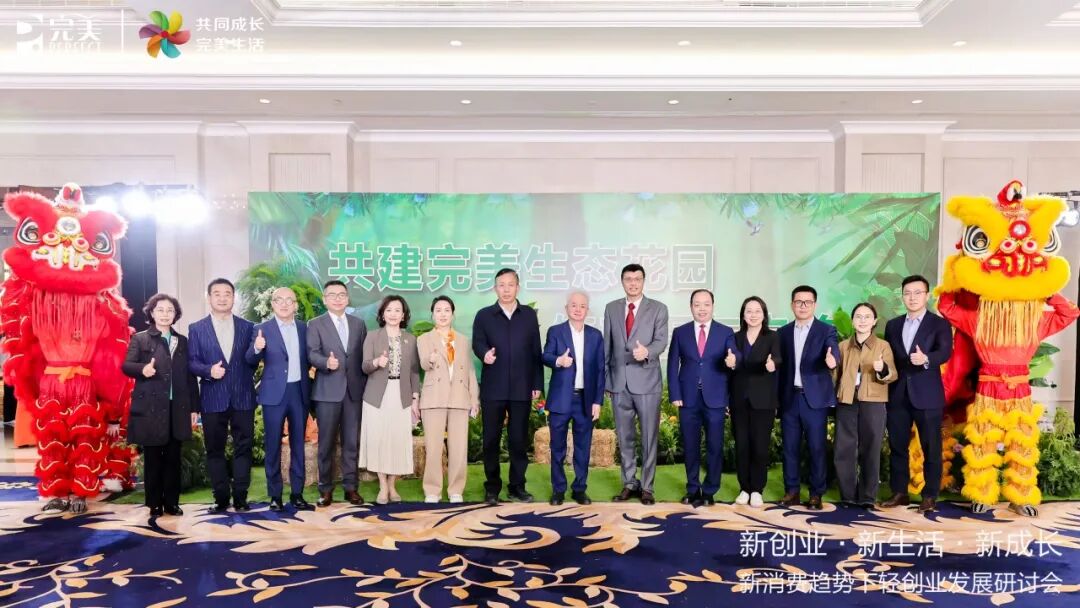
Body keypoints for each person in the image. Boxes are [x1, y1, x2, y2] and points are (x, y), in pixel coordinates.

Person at [122, 293, 199, 519]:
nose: (165, 314)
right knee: (153, 458)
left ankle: (172, 503)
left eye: (170, 310)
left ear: (175, 315)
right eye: (160, 310)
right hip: (151, 408)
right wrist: (142, 369)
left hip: (177, 408)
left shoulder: (182, 341)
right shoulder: (140, 339)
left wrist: (194, 407)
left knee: (173, 458)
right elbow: (126, 366)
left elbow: (190, 377)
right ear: (152, 313)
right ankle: (154, 503)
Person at [881, 275, 953, 513]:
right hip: (897, 394)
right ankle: (899, 492)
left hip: (927, 394)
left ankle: (929, 495)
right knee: (897, 446)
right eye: (907, 293)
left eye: (917, 293)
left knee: (931, 447)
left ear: (927, 295)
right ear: (902, 296)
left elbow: (945, 352)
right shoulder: (892, 325)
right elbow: (891, 357)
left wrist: (926, 359)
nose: (912, 298)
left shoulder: (939, 324)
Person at [472, 268, 544, 505]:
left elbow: (536, 351)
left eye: (510, 285)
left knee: (518, 440)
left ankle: (517, 487)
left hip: (522, 387)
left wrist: (537, 382)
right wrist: (484, 354)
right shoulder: (484, 315)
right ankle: (492, 487)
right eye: (501, 285)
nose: (506, 289)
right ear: (495, 288)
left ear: (517, 287)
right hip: (494, 387)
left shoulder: (528, 315)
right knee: (491, 440)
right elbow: (477, 342)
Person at [187, 278, 258, 514]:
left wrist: (258, 349)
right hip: (213, 397)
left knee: (243, 448)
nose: (222, 298)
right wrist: (208, 370)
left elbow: (252, 361)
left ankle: (241, 498)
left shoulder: (248, 327)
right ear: (209, 298)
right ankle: (220, 498)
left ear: (233, 298)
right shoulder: (197, 328)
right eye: (217, 293)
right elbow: (192, 362)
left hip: (242, 397)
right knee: (214, 450)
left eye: (227, 293)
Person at [603, 263, 669, 505]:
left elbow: (661, 340)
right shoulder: (611, 308)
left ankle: (648, 487)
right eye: (628, 279)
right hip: (619, 383)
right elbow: (607, 346)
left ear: (643, 281)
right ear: (622, 282)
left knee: (649, 438)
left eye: (637, 279)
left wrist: (647, 352)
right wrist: (607, 380)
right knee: (625, 437)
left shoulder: (658, 308)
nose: (633, 283)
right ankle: (629, 483)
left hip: (647, 382)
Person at [667, 289, 739, 507]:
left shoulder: (725, 332)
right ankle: (692, 488)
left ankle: (709, 490)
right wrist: (675, 394)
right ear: (691, 307)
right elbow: (672, 364)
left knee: (715, 445)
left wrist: (733, 361)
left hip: (716, 398)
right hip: (687, 398)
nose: (702, 309)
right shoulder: (680, 332)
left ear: (713, 306)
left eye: (706, 304)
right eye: (697, 304)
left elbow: (734, 356)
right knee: (690, 445)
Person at [245, 287, 313, 512]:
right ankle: (275, 496)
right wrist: (257, 348)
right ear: (272, 304)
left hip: (299, 392)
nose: (284, 304)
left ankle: (297, 494)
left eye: (289, 300)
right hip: (274, 395)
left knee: (298, 445)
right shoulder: (261, 329)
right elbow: (249, 359)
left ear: (295, 305)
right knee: (273, 445)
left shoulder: (304, 328)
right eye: (279, 300)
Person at [777, 285, 840, 510]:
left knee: (816, 448)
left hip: (814, 400)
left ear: (814, 304)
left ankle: (816, 493)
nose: (802, 306)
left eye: (807, 302)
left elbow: (833, 351)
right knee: (790, 448)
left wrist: (832, 360)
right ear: (792, 304)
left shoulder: (826, 330)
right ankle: (791, 491)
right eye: (798, 302)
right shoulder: (783, 333)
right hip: (789, 398)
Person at [307, 280, 368, 507]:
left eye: (342, 294)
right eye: (332, 295)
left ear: (347, 298)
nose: (337, 298)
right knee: (326, 444)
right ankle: (325, 489)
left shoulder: (359, 324)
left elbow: (363, 357)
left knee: (352, 442)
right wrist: (326, 362)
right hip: (327, 392)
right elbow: (311, 353)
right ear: (325, 299)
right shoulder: (315, 324)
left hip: (353, 392)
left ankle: (351, 488)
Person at [542, 291, 605, 506]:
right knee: (557, 447)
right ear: (566, 308)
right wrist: (558, 361)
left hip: (585, 400)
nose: (578, 309)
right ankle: (558, 490)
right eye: (574, 305)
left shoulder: (595, 336)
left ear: (587, 310)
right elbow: (545, 356)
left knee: (582, 448)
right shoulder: (556, 331)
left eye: (582, 306)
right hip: (561, 399)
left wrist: (597, 401)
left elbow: (600, 370)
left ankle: (579, 489)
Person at [833, 302, 898, 508]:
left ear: (874, 321)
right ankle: (848, 496)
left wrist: (882, 368)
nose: (862, 321)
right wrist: (830, 366)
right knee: (844, 449)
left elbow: (892, 374)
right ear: (852, 321)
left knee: (871, 448)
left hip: (873, 402)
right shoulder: (843, 346)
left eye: (867, 317)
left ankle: (867, 497)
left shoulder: (883, 346)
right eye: (858, 317)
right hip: (847, 401)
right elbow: (835, 376)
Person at [418, 296, 479, 504]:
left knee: (459, 448)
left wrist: (474, 398)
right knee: (433, 447)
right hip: (434, 397)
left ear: (453, 314)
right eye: (438, 310)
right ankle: (432, 490)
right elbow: (423, 363)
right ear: (432, 314)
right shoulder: (424, 339)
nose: (442, 314)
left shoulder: (463, 340)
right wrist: (430, 359)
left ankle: (456, 490)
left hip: (459, 397)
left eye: (446, 310)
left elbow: (470, 371)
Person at [360, 295, 421, 505]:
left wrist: (415, 398)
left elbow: (414, 372)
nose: (393, 314)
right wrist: (377, 362)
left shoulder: (410, 339)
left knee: (397, 440)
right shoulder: (372, 336)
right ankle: (382, 486)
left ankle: (393, 485)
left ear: (403, 315)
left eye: (397, 310)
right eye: (389, 310)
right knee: (378, 439)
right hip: (376, 396)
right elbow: (364, 366)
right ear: (382, 314)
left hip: (402, 395)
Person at [730, 296, 782, 508]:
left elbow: (778, 358)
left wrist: (773, 364)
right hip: (739, 399)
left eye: (757, 311)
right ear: (743, 315)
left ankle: (757, 490)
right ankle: (744, 488)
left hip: (764, 400)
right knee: (742, 446)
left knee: (760, 447)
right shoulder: (735, 337)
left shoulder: (772, 336)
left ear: (764, 314)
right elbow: (730, 365)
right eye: (749, 311)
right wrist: (729, 364)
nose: (753, 315)